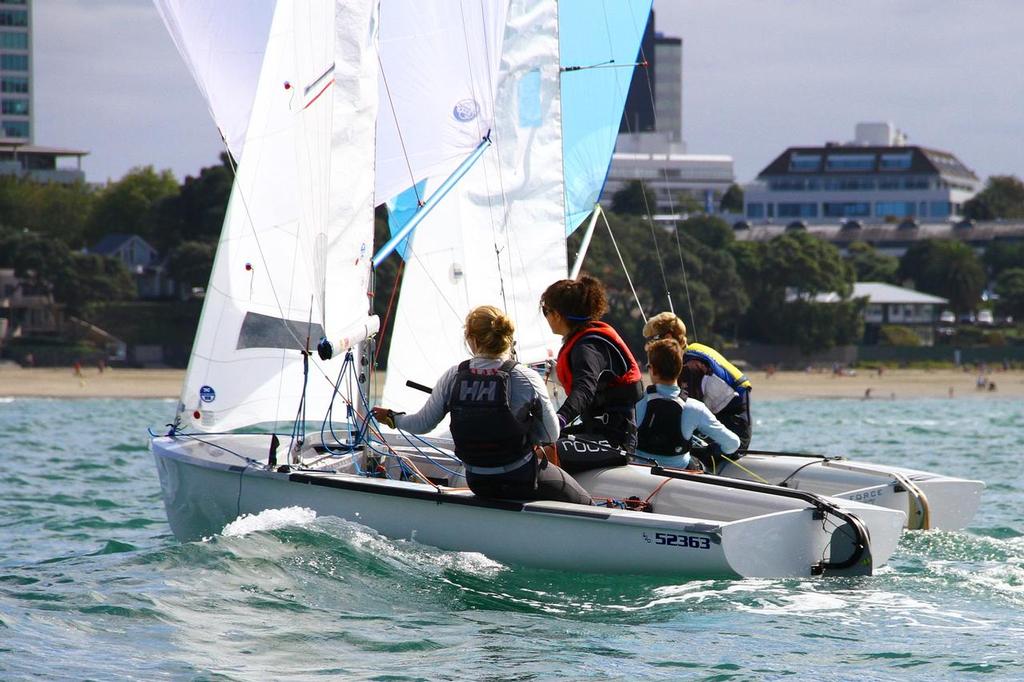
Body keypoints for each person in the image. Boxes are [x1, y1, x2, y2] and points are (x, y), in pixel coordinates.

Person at [371, 305, 591, 505]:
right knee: (585, 501)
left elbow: (422, 424)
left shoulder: (453, 376)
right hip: (520, 478)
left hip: (478, 480)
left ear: (472, 339)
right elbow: (551, 435)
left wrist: (392, 417)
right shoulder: (526, 377)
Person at [540, 275, 643, 470]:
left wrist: (559, 419)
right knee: (531, 444)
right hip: (596, 431)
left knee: (540, 454)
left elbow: (584, 390)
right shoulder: (585, 340)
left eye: (546, 311)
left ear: (558, 314)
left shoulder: (587, 346)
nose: (546, 316)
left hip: (615, 441)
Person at [642, 311, 753, 451]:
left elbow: (685, 412)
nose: (648, 346)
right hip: (724, 416)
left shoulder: (690, 366)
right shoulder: (691, 352)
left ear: (668, 337)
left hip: (734, 425)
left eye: (652, 339)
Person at [634, 339, 740, 471]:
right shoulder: (695, 408)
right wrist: (710, 450)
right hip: (681, 475)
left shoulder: (637, 402)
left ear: (652, 370)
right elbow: (733, 444)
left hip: (640, 474)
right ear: (680, 369)